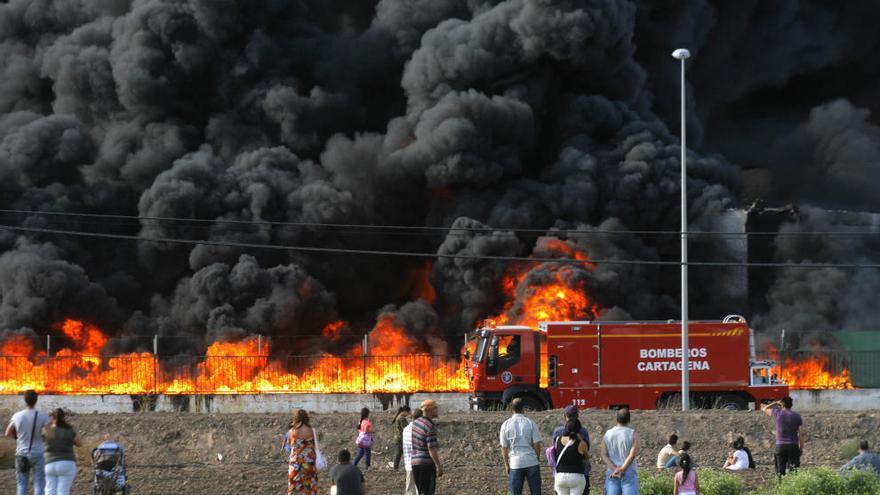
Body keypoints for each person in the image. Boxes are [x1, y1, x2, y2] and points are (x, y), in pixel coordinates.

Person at [5, 389, 52, 495]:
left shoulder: (17, 416)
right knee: (39, 483)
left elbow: (7, 433)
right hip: (38, 453)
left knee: (21, 484)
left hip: (21, 453)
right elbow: (51, 435)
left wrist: (18, 438)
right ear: (36, 400)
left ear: (24, 400)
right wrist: (42, 438)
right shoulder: (43, 415)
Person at [500, 397, 543, 495]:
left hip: (515, 463)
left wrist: (506, 464)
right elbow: (537, 444)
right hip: (531, 461)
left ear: (512, 409)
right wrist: (537, 458)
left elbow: (504, 447)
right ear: (523, 408)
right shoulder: (530, 423)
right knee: (536, 492)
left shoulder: (505, 425)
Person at [600, 408, 640, 495]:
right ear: (629, 420)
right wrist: (622, 469)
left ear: (616, 419)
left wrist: (615, 469)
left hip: (612, 472)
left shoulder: (607, 434)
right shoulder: (633, 434)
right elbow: (632, 454)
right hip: (629, 471)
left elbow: (603, 454)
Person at [551, 405, 591, 491]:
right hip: (580, 472)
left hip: (561, 473)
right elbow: (586, 451)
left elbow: (554, 450)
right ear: (577, 416)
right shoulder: (583, 431)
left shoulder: (558, 432)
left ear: (565, 416)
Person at [762, 396, 804, 476]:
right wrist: (801, 448)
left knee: (780, 472)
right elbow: (801, 433)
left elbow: (764, 408)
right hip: (793, 445)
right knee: (793, 471)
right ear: (791, 405)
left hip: (780, 445)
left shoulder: (777, 413)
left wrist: (776, 402)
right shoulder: (797, 416)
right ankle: (792, 487)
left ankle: (780, 486)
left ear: (782, 405)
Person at [43, 408, 81, 495]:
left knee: (49, 490)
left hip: (49, 463)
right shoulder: (69, 429)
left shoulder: (48, 430)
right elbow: (79, 443)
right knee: (63, 491)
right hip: (67, 463)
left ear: (52, 418)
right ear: (64, 417)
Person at [411, 399, 443, 495]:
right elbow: (431, 449)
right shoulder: (429, 426)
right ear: (430, 410)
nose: (437, 411)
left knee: (420, 492)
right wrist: (438, 466)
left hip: (415, 463)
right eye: (436, 408)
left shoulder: (415, 423)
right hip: (426, 464)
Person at [287, 409, 319, 495]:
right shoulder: (311, 431)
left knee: (295, 488)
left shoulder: (291, 432)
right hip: (309, 463)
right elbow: (314, 445)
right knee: (309, 487)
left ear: (296, 418)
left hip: (295, 464)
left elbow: (290, 446)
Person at [402, 408, 422, 495]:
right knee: (420, 489)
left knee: (410, 490)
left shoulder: (405, 429)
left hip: (409, 463)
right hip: (419, 463)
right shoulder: (420, 429)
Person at [389, 405, 411, 470]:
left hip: (398, 438)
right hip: (400, 439)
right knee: (399, 453)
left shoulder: (399, 417)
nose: (408, 414)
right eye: (408, 413)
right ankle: (395, 468)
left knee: (399, 453)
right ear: (404, 411)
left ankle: (396, 467)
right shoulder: (402, 418)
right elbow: (406, 428)